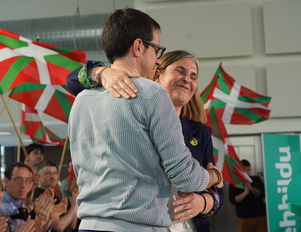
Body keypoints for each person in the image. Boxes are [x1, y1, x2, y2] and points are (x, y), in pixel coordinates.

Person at [68, 8, 223, 232]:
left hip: (90, 224)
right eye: (157, 50)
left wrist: (100, 72)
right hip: (137, 225)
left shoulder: (82, 100)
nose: (156, 60)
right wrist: (213, 175)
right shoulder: (151, 93)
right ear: (139, 47)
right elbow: (186, 177)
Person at [0, 162, 56, 232]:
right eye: (18, 180)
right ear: (6, 181)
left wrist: (47, 219)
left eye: (28, 180)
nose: (23, 185)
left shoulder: (25, 207)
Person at [34, 161, 78, 232]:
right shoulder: (41, 197)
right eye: (48, 173)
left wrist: (75, 204)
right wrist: (74, 207)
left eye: (55, 173)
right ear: (39, 176)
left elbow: (72, 225)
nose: (52, 176)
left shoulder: (54, 195)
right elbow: (59, 227)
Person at [229, 159, 267, 232]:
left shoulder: (256, 179)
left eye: (248, 170)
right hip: (244, 218)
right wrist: (245, 192)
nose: (246, 172)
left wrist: (251, 188)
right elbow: (233, 200)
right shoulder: (235, 183)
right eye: (244, 170)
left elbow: (263, 194)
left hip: (260, 216)